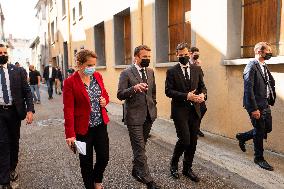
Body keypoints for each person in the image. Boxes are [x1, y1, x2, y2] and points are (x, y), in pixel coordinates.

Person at [63, 49, 110, 189]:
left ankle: (97, 180)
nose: (92, 68)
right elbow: (68, 109)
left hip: (100, 125)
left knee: (104, 157)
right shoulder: (70, 82)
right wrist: (70, 134)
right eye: (89, 65)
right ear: (79, 64)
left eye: (94, 65)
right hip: (81, 130)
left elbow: (105, 94)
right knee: (85, 161)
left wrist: (105, 101)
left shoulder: (97, 76)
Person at [117, 45, 160, 189]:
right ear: (136, 57)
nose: (147, 59)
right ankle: (149, 181)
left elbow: (153, 93)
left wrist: (154, 106)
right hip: (134, 117)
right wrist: (134, 89)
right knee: (140, 149)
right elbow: (120, 94)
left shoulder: (150, 71)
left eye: (149, 57)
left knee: (140, 147)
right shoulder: (126, 73)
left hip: (148, 116)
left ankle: (136, 170)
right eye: (144, 57)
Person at [165, 42, 207, 182]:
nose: (183, 56)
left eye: (185, 54)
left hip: (195, 110)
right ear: (177, 55)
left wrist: (203, 96)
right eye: (180, 55)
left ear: (189, 54)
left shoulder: (197, 69)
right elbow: (168, 91)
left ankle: (187, 168)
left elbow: (202, 87)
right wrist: (186, 95)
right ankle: (174, 164)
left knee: (193, 141)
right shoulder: (171, 71)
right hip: (179, 111)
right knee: (185, 139)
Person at [236, 42, 276, 171]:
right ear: (259, 51)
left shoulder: (263, 65)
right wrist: (253, 109)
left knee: (267, 129)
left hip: (265, 103)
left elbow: (268, 82)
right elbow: (248, 89)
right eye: (268, 51)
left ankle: (243, 137)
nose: (270, 53)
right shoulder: (251, 66)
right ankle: (259, 158)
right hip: (256, 105)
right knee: (259, 131)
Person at [0, 43, 34, 189]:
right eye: (0, 53)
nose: (3, 55)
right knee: (2, 144)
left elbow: (27, 91)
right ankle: (4, 180)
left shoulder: (18, 70)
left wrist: (30, 110)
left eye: (4, 52)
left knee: (14, 142)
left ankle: (12, 168)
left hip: (14, 112)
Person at [189, 47, 207, 137]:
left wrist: (199, 67)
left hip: (199, 92)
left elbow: (201, 77)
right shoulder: (187, 63)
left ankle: (196, 128)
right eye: (195, 54)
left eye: (198, 54)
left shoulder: (197, 64)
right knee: (193, 112)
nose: (196, 56)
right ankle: (193, 130)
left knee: (203, 109)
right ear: (190, 54)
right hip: (190, 92)